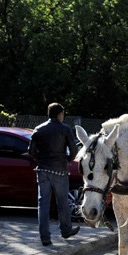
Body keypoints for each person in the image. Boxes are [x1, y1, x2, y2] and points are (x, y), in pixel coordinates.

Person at [29, 103, 80, 246]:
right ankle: (66, 230)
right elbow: (74, 150)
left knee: (43, 204)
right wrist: (67, 160)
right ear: (59, 114)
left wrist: (42, 159)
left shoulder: (38, 129)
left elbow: (31, 151)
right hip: (60, 170)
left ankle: (45, 238)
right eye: (63, 114)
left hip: (42, 170)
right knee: (62, 202)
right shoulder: (65, 129)